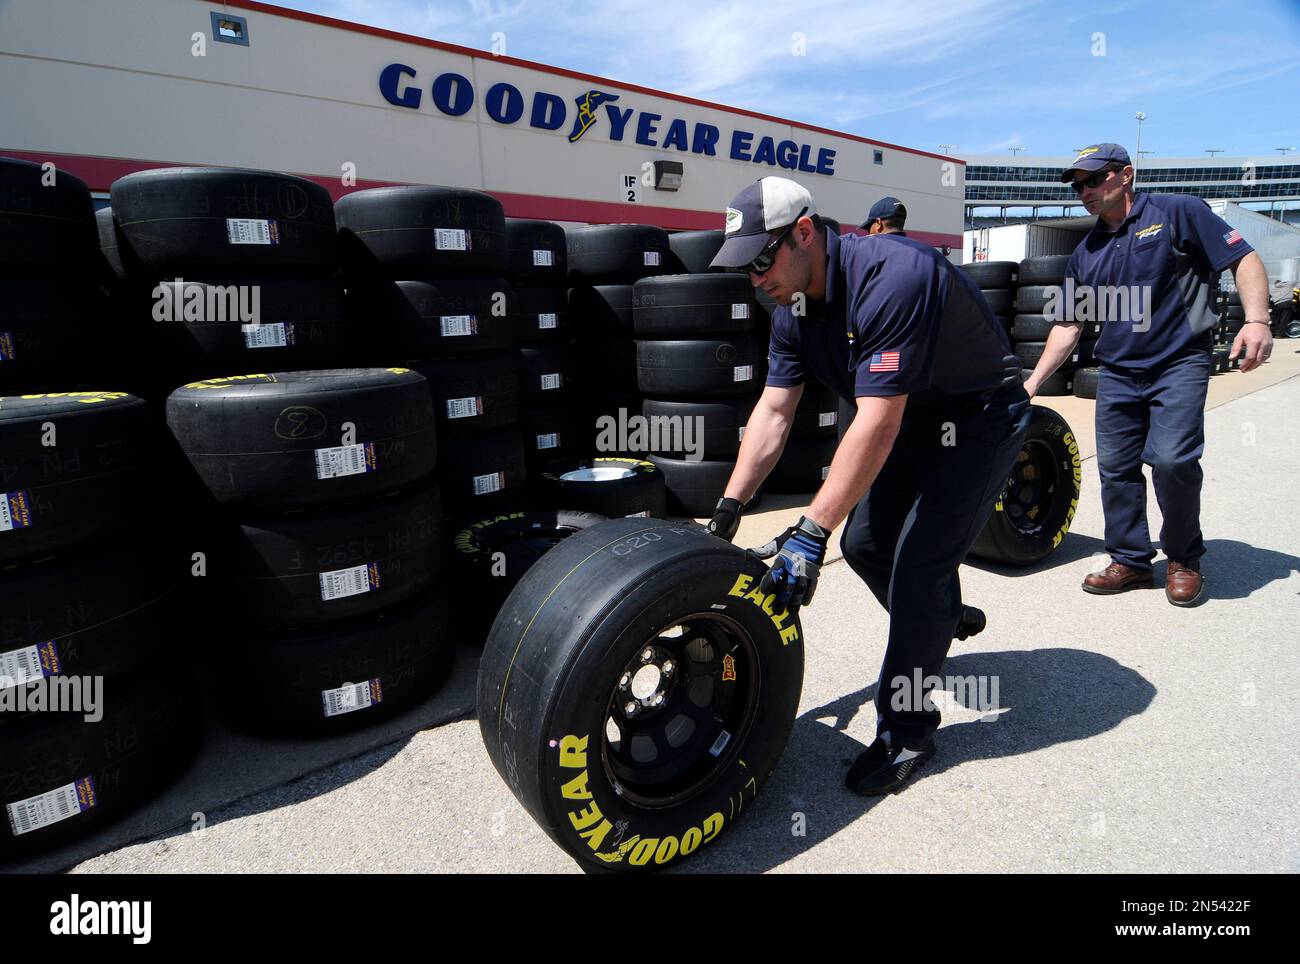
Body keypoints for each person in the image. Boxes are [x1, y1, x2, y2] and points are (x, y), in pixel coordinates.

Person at [705, 176, 1029, 795]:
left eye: (761, 260)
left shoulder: (894, 275)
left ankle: (907, 735)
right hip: (909, 416)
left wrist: (810, 532)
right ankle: (938, 619)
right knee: (867, 547)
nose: (755, 279)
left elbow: (876, 421)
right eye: (743, 267)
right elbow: (774, 413)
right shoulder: (791, 310)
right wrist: (728, 509)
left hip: (979, 416)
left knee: (917, 571)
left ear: (804, 232)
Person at [1022, 144, 1273, 606]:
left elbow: (1244, 258)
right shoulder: (1087, 250)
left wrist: (1257, 320)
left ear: (1125, 176)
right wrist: (1033, 382)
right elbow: (1068, 323)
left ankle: (1182, 558)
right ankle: (1131, 560)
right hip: (1117, 372)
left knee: (1173, 461)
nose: (1085, 192)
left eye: (1093, 180)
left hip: (1179, 362)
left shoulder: (1179, 212)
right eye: (1078, 185)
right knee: (1116, 468)